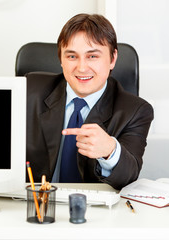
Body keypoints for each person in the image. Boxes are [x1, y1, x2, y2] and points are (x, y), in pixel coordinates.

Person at [26, 13, 154, 190]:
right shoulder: (28, 90)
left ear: (113, 58)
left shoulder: (136, 111)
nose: (82, 67)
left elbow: (128, 176)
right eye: (72, 56)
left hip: (95, 212)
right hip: (34, 205)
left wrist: (110, 150)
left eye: (92, 56)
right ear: (61, 59)